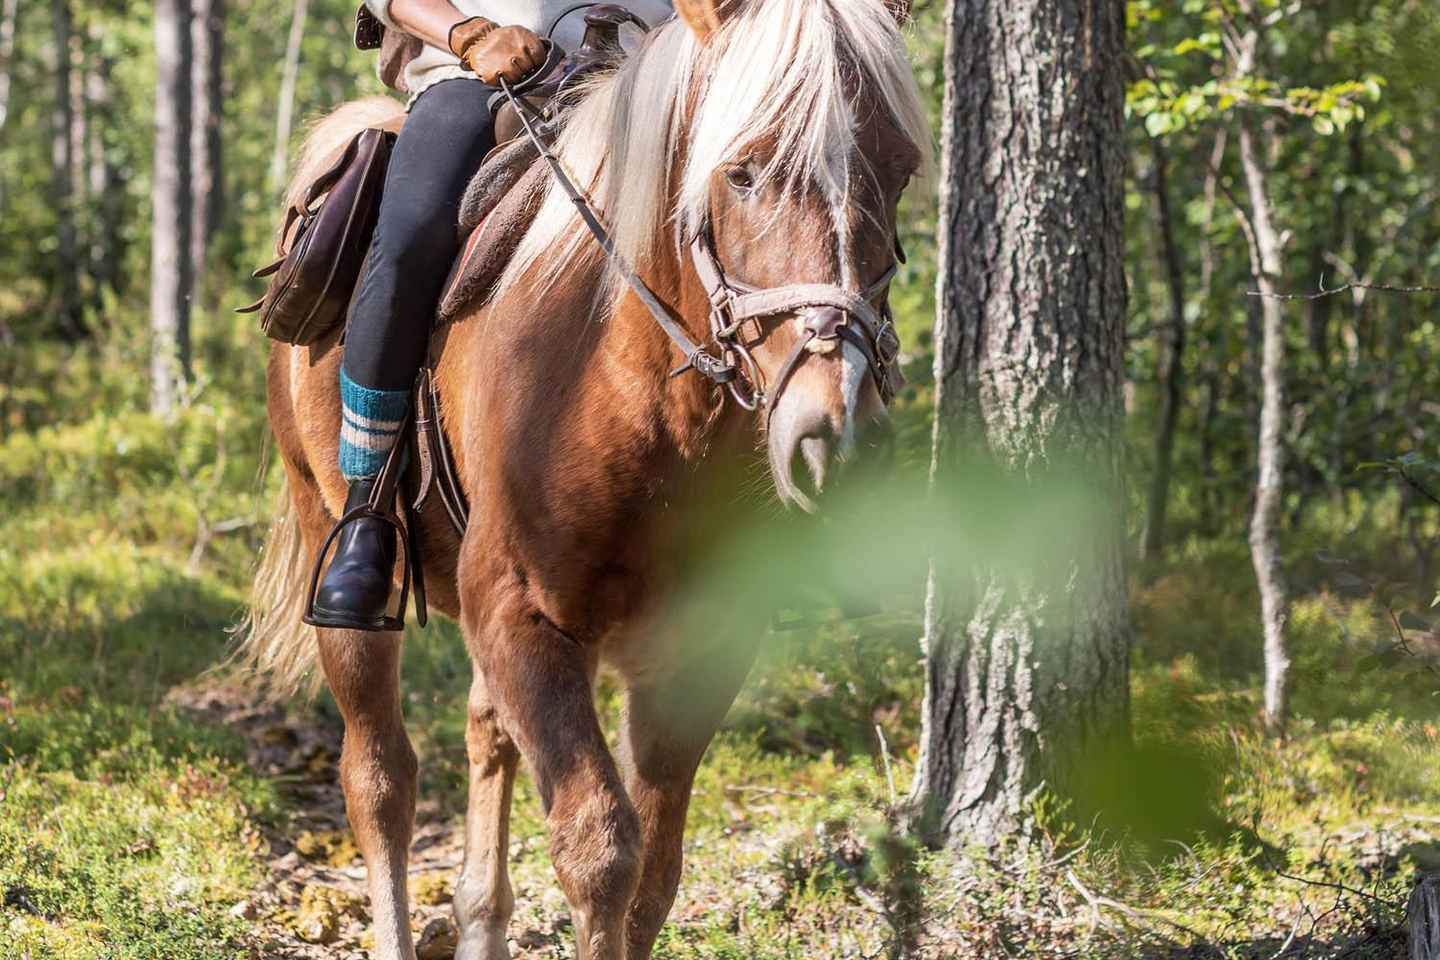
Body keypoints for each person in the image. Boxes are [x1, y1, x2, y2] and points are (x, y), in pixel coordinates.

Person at [311, 0, 672, 630]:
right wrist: (468, 34)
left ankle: (810, 482)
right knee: (410, 236)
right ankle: (368, 508)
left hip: (664, 79)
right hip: (481, 81)